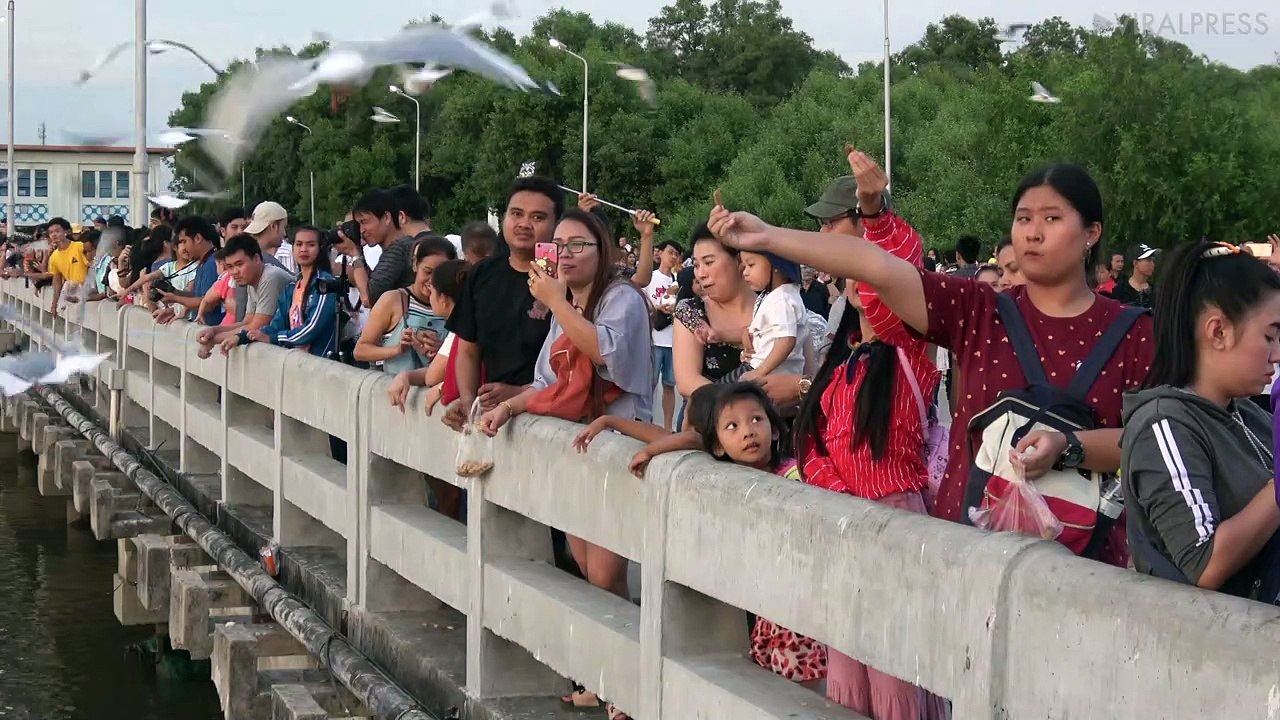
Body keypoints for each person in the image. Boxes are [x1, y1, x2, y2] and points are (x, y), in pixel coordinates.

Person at [709, 150, 1154, 563]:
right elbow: (871, 263)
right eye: (1023, 218)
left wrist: (1071, 446)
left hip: (1085, 567)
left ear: (1091, 233)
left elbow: (1154, 444)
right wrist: (767, 236)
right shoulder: (980, 309)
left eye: (1052, 218)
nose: (1032, 232)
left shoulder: (1136, 333)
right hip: (967, 553)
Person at [790, 200, 946, 719]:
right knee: (849, 661)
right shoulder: (842, 364)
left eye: (870, 269)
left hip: (897, 521)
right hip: (843, 521)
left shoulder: (913, 356)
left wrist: (875, 213)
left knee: (896, 664)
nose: (864, 281)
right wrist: (838, 496)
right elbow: (810, 447)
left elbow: (900, 264)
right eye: (856, 274)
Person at [1121, 241, 1280, 601]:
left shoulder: (1247, 414)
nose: (1277, 354)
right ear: (1218, 331)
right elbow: (1204, 563)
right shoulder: (1162, 425)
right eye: (1269, 336)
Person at [442, 176, 564, 430]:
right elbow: (467, 348)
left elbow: (572, 367)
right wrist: (468, 402)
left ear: (556, 226)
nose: (524, 224)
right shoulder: (482, 273)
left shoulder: (566, 279)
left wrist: (518, 394)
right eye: (516, 214)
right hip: (494, 419)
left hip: (552, 420)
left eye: (538, 217)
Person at [672, 224, 755, 428]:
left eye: (709, 262)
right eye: (697, 265)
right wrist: (747, 410)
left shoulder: (777, 307)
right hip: (708, 425)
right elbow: (687, 381)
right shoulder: (691, 311)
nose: (700, 274)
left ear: (739, 260)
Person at [355, 236, 454, 372]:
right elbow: (360, 351)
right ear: (415, 265)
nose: (433, 280)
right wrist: (398, 349)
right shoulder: (393, 300)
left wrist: (443, 348)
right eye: (428, 271)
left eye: (440, 274)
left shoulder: (454, 305)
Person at [239, 225, 339, 358]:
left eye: (311, 245)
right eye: (298, 244)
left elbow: (312, 329)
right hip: (297, 362)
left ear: (320, 249)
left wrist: (274, 338)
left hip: (321, 363)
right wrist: (243, 337)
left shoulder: (325, 283)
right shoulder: (292, 287)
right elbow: (276, 325)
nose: (303, 249)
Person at [199, 235, 294, 357]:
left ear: (256, 259)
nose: (234, 272)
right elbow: (247, 322)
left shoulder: (270, 277)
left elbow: (257, 327)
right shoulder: (251, 281)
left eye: (239, 264)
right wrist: (214, 330)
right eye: (230, 267)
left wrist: (212, 340)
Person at [736, 249, 810, 381]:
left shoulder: (782, 299)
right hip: (761, 367)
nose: (745, 272)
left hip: (770, 373)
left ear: (776, 266)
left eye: (751, 265)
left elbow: (786, 340)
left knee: (712, 397)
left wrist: (760, 372)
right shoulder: (772, 296)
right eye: (744, 267)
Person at [644, 240, 684, 430]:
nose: (673, 257)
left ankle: (667, 427)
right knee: (649, 385)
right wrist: (655, 308)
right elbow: (641, 301)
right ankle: (646, 422)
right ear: (660, 253)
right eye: (670, 252)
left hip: (673, 340)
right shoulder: (650, 278)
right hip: (654, 339)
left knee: (669, 385)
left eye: (676, 254)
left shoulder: (679, 281)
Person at [159, 217, 223, 325]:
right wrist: (173, 292)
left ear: (198, 238)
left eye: (184, 241)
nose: (183, 248)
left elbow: (207, 303)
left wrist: (175, 298)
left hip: (211, 332)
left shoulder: (213, 264)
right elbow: (196, 297)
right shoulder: (203, 262)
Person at [45, 218, 89, 316]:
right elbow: (57, 283)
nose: (54, 235)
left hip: (88, 289)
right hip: (72, 293)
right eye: (51, 232)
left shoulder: (79, 246)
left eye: (57, 231)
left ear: (67, 232)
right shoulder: (54, 257)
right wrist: (54, 304)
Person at [246, 201, 294, 272]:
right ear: (273, 226)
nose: (284, 233)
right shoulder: (293, 254)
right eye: (283, 227)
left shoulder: (243, 256)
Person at [1110, 244, 1159, 309]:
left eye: (1153, 260)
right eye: (1148, 260)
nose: (1152, 264)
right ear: (1135, 263)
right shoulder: (1120, 290)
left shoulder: (1156, 291)